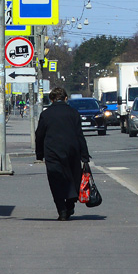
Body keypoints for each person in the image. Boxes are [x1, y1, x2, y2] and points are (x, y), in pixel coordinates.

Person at [34, 87, 91, 221]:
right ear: (66, 99)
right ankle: (70, 204)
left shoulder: (46, 115)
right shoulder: (73, 113)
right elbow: (79, 135)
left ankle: (62, 211)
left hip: (52, 153)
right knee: (72, 179)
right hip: (72, 151)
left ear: (52, 100)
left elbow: (39, 135)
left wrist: (39, 153)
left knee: (56, 181)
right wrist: (85, 155)